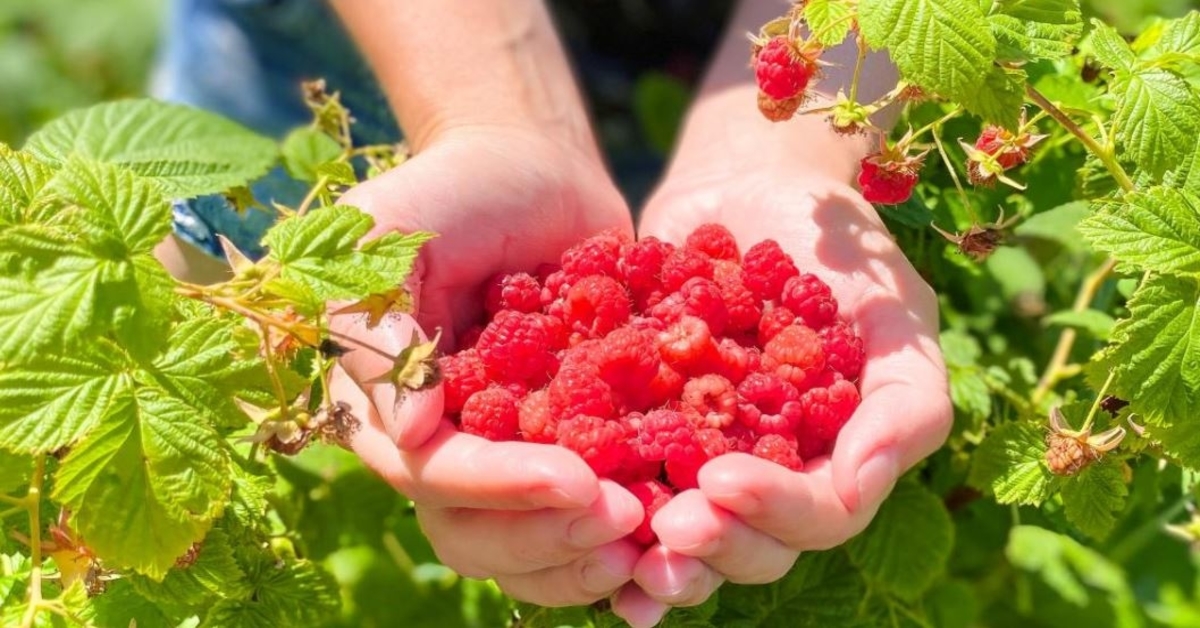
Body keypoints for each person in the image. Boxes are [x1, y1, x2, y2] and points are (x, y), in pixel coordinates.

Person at [153, 1, 952, 626]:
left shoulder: (695, 336)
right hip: (342, 55)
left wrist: (785, 151)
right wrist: (491, 121)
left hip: (768, 62)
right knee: (203, 344)